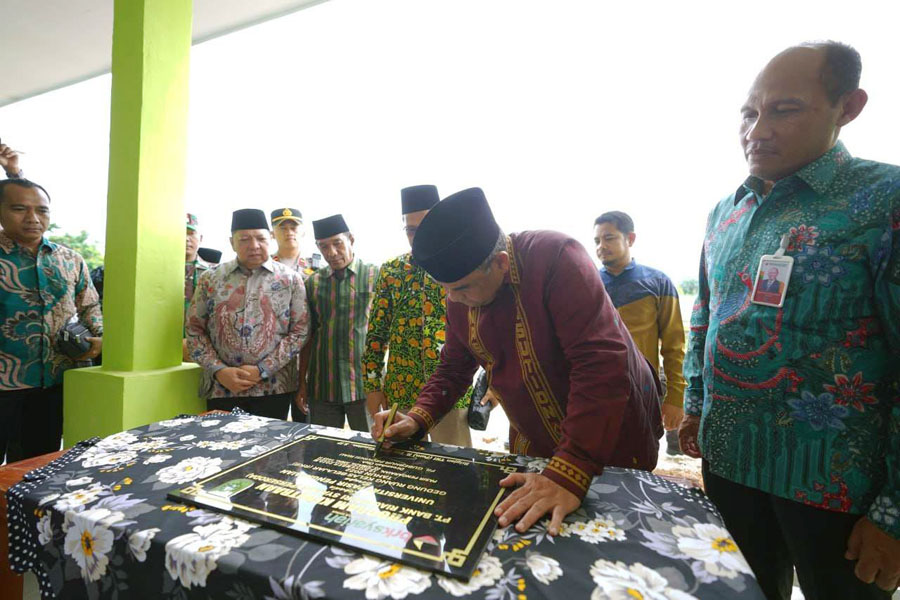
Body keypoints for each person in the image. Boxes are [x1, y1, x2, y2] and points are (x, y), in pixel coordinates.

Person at [680, 42, 900, 599]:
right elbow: (705, 315)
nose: (757, 131)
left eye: (784, 110)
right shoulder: (726, 212)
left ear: (848, 107)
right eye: (749, 113)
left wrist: (894, 514)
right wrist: (695, 404)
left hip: (835, 487)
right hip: (729, 465)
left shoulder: (886, 201)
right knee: (742, 592)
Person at [373, 188, 663, 536]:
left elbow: (600, 364)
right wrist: (417, 419)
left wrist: (571, 469)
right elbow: (454, 367)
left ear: (501, 263)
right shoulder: (459, 294)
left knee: (614, 540)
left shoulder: (557, 258)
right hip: (535, 437)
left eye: (461, 288)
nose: (453, 299)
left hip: (606, 430)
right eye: (445, 289)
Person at [0, 179, 102, 462]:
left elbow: (90, 306)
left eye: (42, 210)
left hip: (53, 383)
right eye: (19, 209)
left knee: (36, 465)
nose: (33, 218)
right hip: (3, 383)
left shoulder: (70, 259)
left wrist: (100, 338)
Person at [363, 185, 473, 446]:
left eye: (425, 226)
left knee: (453, 464)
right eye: (411, 230)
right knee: (400, 465)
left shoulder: (461, 267)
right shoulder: (392, 270)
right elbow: (376, 335)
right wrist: (372, 386)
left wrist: (492, 384)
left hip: (451, 393)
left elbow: (482, 329)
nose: (419, 236)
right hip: (401, 392)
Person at [185, 208, 309, 418]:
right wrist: (219, 370)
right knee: (221, 439)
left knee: (271, 439)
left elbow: (300, 331)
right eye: (244, 240)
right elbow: (194, 330)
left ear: (270, 238)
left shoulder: (290, 280)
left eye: (260, 238)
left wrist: (262, 369)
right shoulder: (210, 279)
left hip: (274, 388)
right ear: (232, 242)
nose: (254, 246)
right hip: (222, 387)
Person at [593, 211, 685, 456]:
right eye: (597, 241)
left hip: (643, 391)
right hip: (594, 392)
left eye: (609, 238)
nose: (601, 246)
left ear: (630, 238)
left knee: (640, 460)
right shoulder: (587, 284)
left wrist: (675, 397)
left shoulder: (658, 282)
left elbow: (674, 346)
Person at [296, 214, 378, 431]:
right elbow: (308, 336)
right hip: (323, 385)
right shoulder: (313, 283)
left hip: (365, 385)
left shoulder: (375, 275)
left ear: (351, 239)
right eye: (323, 246)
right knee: (322, 445)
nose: (331, 252)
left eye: (337, 243)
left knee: (371, 444)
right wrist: (302, 382)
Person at [183, 213, 211, 360]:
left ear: (200, 238)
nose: (186, 238)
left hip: (202, 349)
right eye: (180, 232)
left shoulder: (213, 273)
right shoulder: (158, 271)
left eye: (191, 233)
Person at [270, 208, 315, 280]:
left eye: (293, 228)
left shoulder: (315, 265)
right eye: (283, 228)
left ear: (303, 233)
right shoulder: (266, 265)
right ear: (272, 234)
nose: (289, 233)